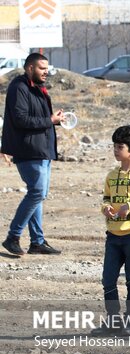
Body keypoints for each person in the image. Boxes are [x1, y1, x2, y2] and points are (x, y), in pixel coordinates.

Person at [91, 125, 130, 336]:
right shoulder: (110, 175)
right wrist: (105, 209)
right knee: (108, 279)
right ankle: (112, 320)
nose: (116, 150)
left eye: (120, 147)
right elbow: (106, 199)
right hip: (112, 237)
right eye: (114, 146)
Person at [1, 53, 65, 256]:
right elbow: (20, 119)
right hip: (28, 150)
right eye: (41, 68)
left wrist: (56, 120)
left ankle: (37, 242)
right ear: (29, 68)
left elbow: (41, 119)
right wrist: (50, 120)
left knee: (38, 195)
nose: (46, 72)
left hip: (42, 149)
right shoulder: (19, 87)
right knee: (37, 192)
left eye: (47, 68)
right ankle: (13, 236)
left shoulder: (37, 88)